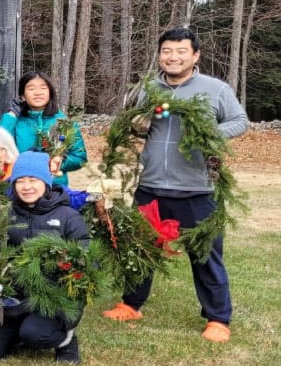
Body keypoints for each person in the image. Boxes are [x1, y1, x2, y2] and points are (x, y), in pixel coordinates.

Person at [102, 28, 248, 343]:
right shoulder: (148, 90)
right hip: (150, 185)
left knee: (205, 255)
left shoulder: (215, 89)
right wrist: (137, 126)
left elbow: (239, 121)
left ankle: (217, 319)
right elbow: (134, 127)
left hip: (197, 189)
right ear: (159, 54)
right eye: (167, 50)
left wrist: (208, 132)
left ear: (195, 56)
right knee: (140, 250)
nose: (173, 57)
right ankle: (131, 304)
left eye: (181, 51)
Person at [0, 153, 90, 363]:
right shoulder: (5, 213)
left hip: (53, 299)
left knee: (35, 334)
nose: (27, 187)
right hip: (13, 297)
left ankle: (65, 339)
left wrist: (68, 262)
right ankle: (15, 332)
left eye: (33, 180)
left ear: (46, 182)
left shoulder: (68, 217)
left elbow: (87, 258)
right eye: (20, 181)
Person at [0, 70, 86, 186]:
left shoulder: (62, 123)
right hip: (21, 186)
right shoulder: (15, 122)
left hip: (54, 187)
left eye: (43, 88)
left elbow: (79, 157)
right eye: (31, 88)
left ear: (50, 92)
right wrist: (11, 115)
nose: (38, 92)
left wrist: (58, 162)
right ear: (23, 95)